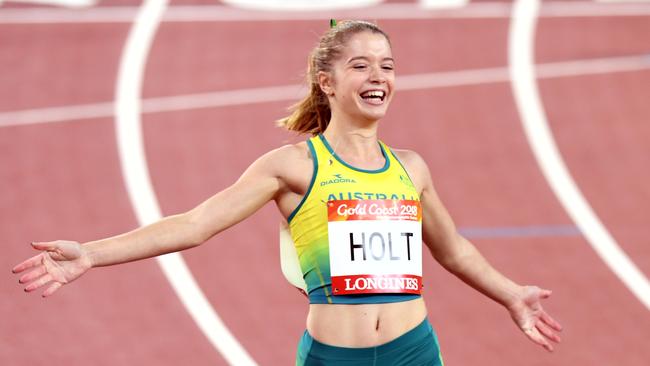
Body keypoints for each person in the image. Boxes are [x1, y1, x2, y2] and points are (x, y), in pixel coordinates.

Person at [12, 20, 562, 365]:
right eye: (361, 65)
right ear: (327, 82)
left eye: (388, 66)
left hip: (413, 350)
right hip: (332, 357)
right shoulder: (294, 166)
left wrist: (510, 293)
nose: (379, 75)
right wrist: (90, 254)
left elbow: (453, 249)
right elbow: (194, 223)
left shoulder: (410, 168)